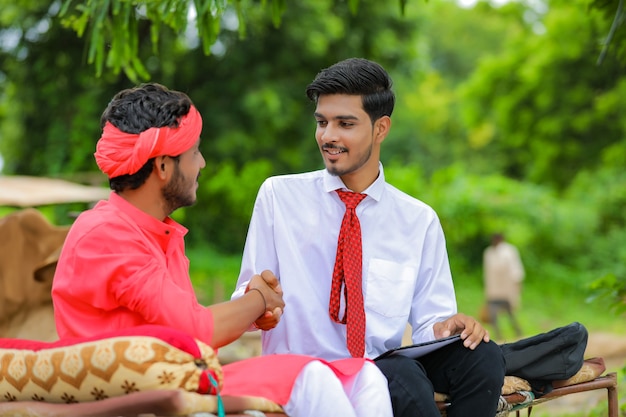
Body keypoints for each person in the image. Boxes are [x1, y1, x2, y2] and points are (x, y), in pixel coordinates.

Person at [51, 83, 392, 417]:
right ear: (164, 166)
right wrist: (259, 299)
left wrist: (254, 309)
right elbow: (197, 331)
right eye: (194, 152)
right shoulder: (106, 234)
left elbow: (188, 328)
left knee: (365, 378)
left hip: (179, 381)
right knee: (313, 379)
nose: (201, 163)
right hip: (138, 398)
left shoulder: (154, 231)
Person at [233, 58, 506, 417]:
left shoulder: (417, 220)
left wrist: (446, 326)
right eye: (322, 122)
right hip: (303, 372)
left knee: (483, 356)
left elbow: (428, 324)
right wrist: (260, 307)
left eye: (345, 124)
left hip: (378, 367)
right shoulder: (279, 197)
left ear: (381, 129)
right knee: (405, 378)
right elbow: (247, 295)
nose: (328, 135)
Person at [483, 232, 525, 340]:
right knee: (493, 314)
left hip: (506, 290)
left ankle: (518, 331)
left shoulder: (509, 251)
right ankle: (498, 335)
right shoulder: (489, 253)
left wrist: (517, 286)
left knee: (510, 313)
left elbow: (516, 270)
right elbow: (487, 273)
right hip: (494, 291)